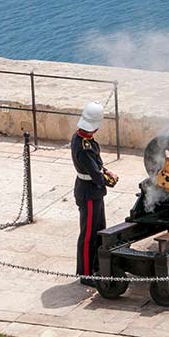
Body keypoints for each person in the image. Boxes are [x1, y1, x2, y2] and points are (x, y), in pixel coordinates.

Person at [70, 101, 116, 286]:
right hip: (89, 193)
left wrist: (106, 171)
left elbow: (96, 166)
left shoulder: (81, 139)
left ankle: (96, 265)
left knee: (99, 230)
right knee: (89, 235)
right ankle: (87, 273)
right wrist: (108, 180)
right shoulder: (85, 146)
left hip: (92, 192)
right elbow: (95, 174)